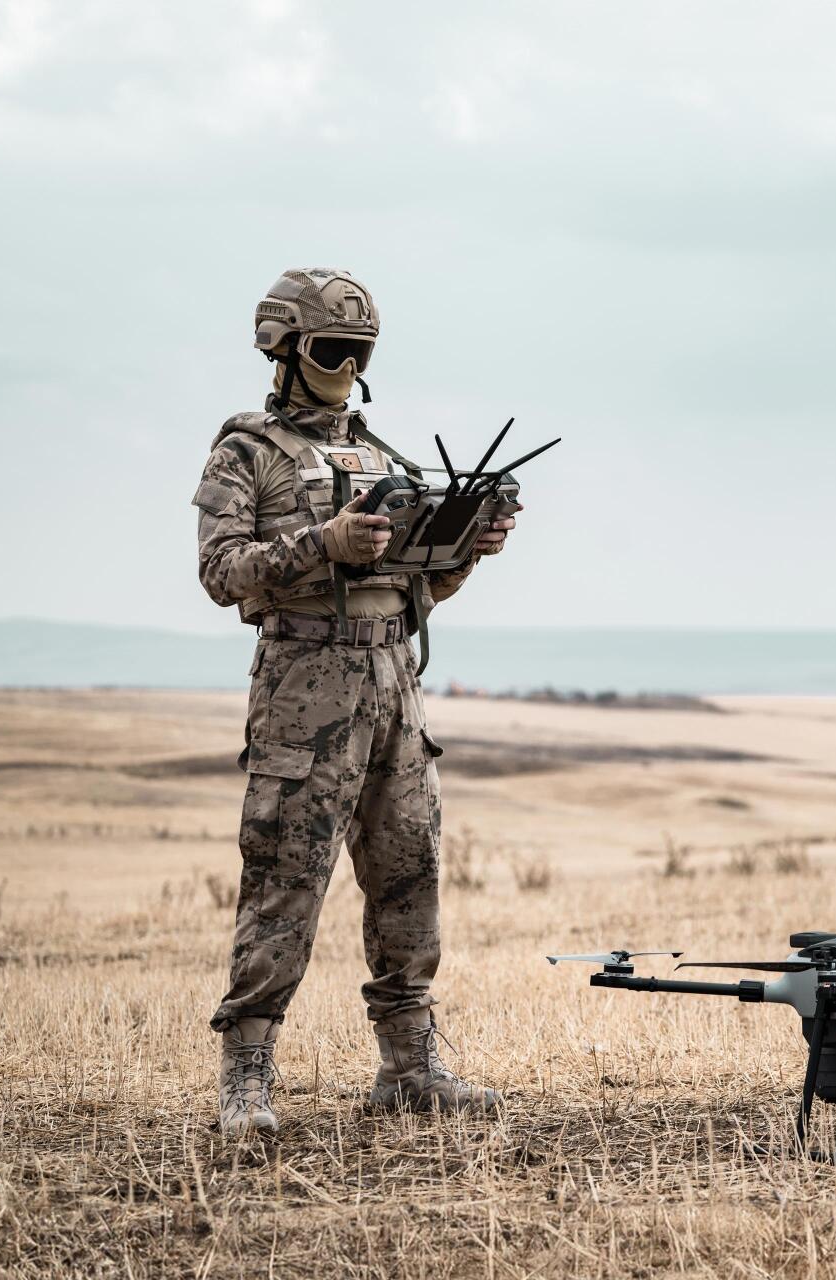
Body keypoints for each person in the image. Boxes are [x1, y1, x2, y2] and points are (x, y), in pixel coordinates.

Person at [191, 267, 512, 1134]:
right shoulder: (245, 454)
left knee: (410, 871)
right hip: (304, 686)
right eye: (332, 348)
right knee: (286, 874)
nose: (346, 364)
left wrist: (463, 549)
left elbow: (415, 591)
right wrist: (320, 544)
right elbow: (221, 574)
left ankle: (410, 1067)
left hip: (395, 684)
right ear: (285, 349)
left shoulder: (380, 456)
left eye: (359, 351)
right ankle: (248, 1072)